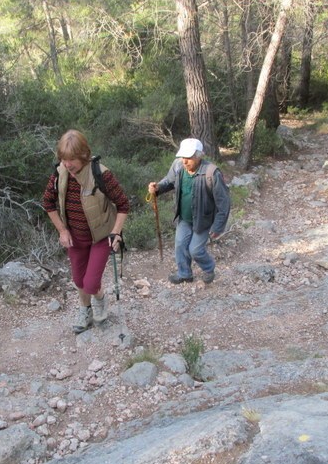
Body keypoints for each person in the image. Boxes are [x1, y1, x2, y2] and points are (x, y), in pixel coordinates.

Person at [42, 130, 129, 333]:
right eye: (63, 159)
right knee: (79, 280)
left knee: (90, 283)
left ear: (83, 156)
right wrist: (62, 231)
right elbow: (47, 203)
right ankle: (85, 310)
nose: (67, 164)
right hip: (74, 237)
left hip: (100, 238)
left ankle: (99, 300)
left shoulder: (101, 173)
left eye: (71, 159)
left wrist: (115, 233)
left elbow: (123, 205)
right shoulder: (59, 173)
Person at [147, 138, 230, 285]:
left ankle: (209, 268)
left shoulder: (211, 172)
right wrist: (158, 187)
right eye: (183, 157)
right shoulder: (178, 166)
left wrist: (218, 227)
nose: (185, 161)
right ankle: (184, 274)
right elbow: (169, 181)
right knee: (180, 245)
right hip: (184, 218)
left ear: (199, 156)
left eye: (189, 157)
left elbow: (223, 203)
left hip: (203, 220)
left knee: (195, 250)